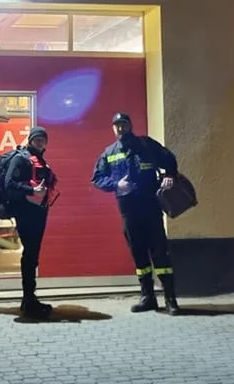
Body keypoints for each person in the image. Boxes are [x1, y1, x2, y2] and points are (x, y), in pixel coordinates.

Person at [91, 112, 181, 315]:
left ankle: (170, 299)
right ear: (113, 128)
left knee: (160, 252)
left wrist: (169, 175)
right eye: (117, 125)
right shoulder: (109, 152)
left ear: (130, 125)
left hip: (150, 207)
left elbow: (169, 159)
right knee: (138, 254)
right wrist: (116, 184)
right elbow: (97, 178)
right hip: (129, 211)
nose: (120, 128)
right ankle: (148, 297)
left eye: (123, 124)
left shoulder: (146, 145)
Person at [4, 126, 57, 318]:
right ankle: (28, 301)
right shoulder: (21, 159)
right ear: (30, 140)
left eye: (43, 139)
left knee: (32, 255)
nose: (40, 142)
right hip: (26, 213)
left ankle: (29, 299)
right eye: (37, 139)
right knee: (30, 256)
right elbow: (9, 184)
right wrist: (32, 191)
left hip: (38, 213)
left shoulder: (40, 160)